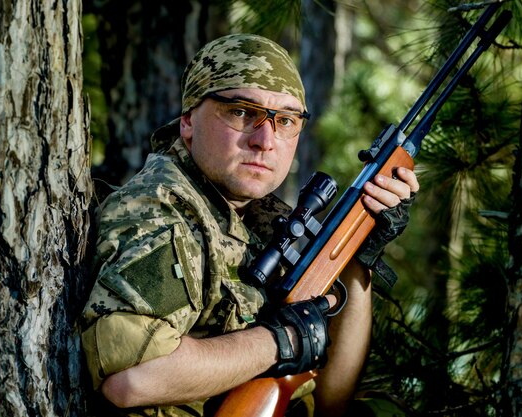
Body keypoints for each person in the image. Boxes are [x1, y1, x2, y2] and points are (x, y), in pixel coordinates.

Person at [81, 33, 419, 417]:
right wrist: (280, 342)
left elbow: (330, 400)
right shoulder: (161, 207)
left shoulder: (262, 221)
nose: (265, 140)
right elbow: (130, 380)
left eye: (286, 120)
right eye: (242, 112)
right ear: (189, 121)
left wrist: (358, 260)